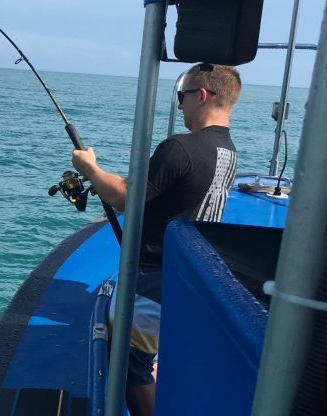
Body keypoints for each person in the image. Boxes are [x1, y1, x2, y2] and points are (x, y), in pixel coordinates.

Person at [71, 63, 241, 416]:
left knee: (129, 367)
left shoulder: (181, 148)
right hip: (187, 274)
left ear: (203, 95)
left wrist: (90, 169)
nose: (180, 105)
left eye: (182, 96)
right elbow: (175, 194)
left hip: (152, 279)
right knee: (155, 353)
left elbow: (124, 196)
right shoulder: (227, 150)